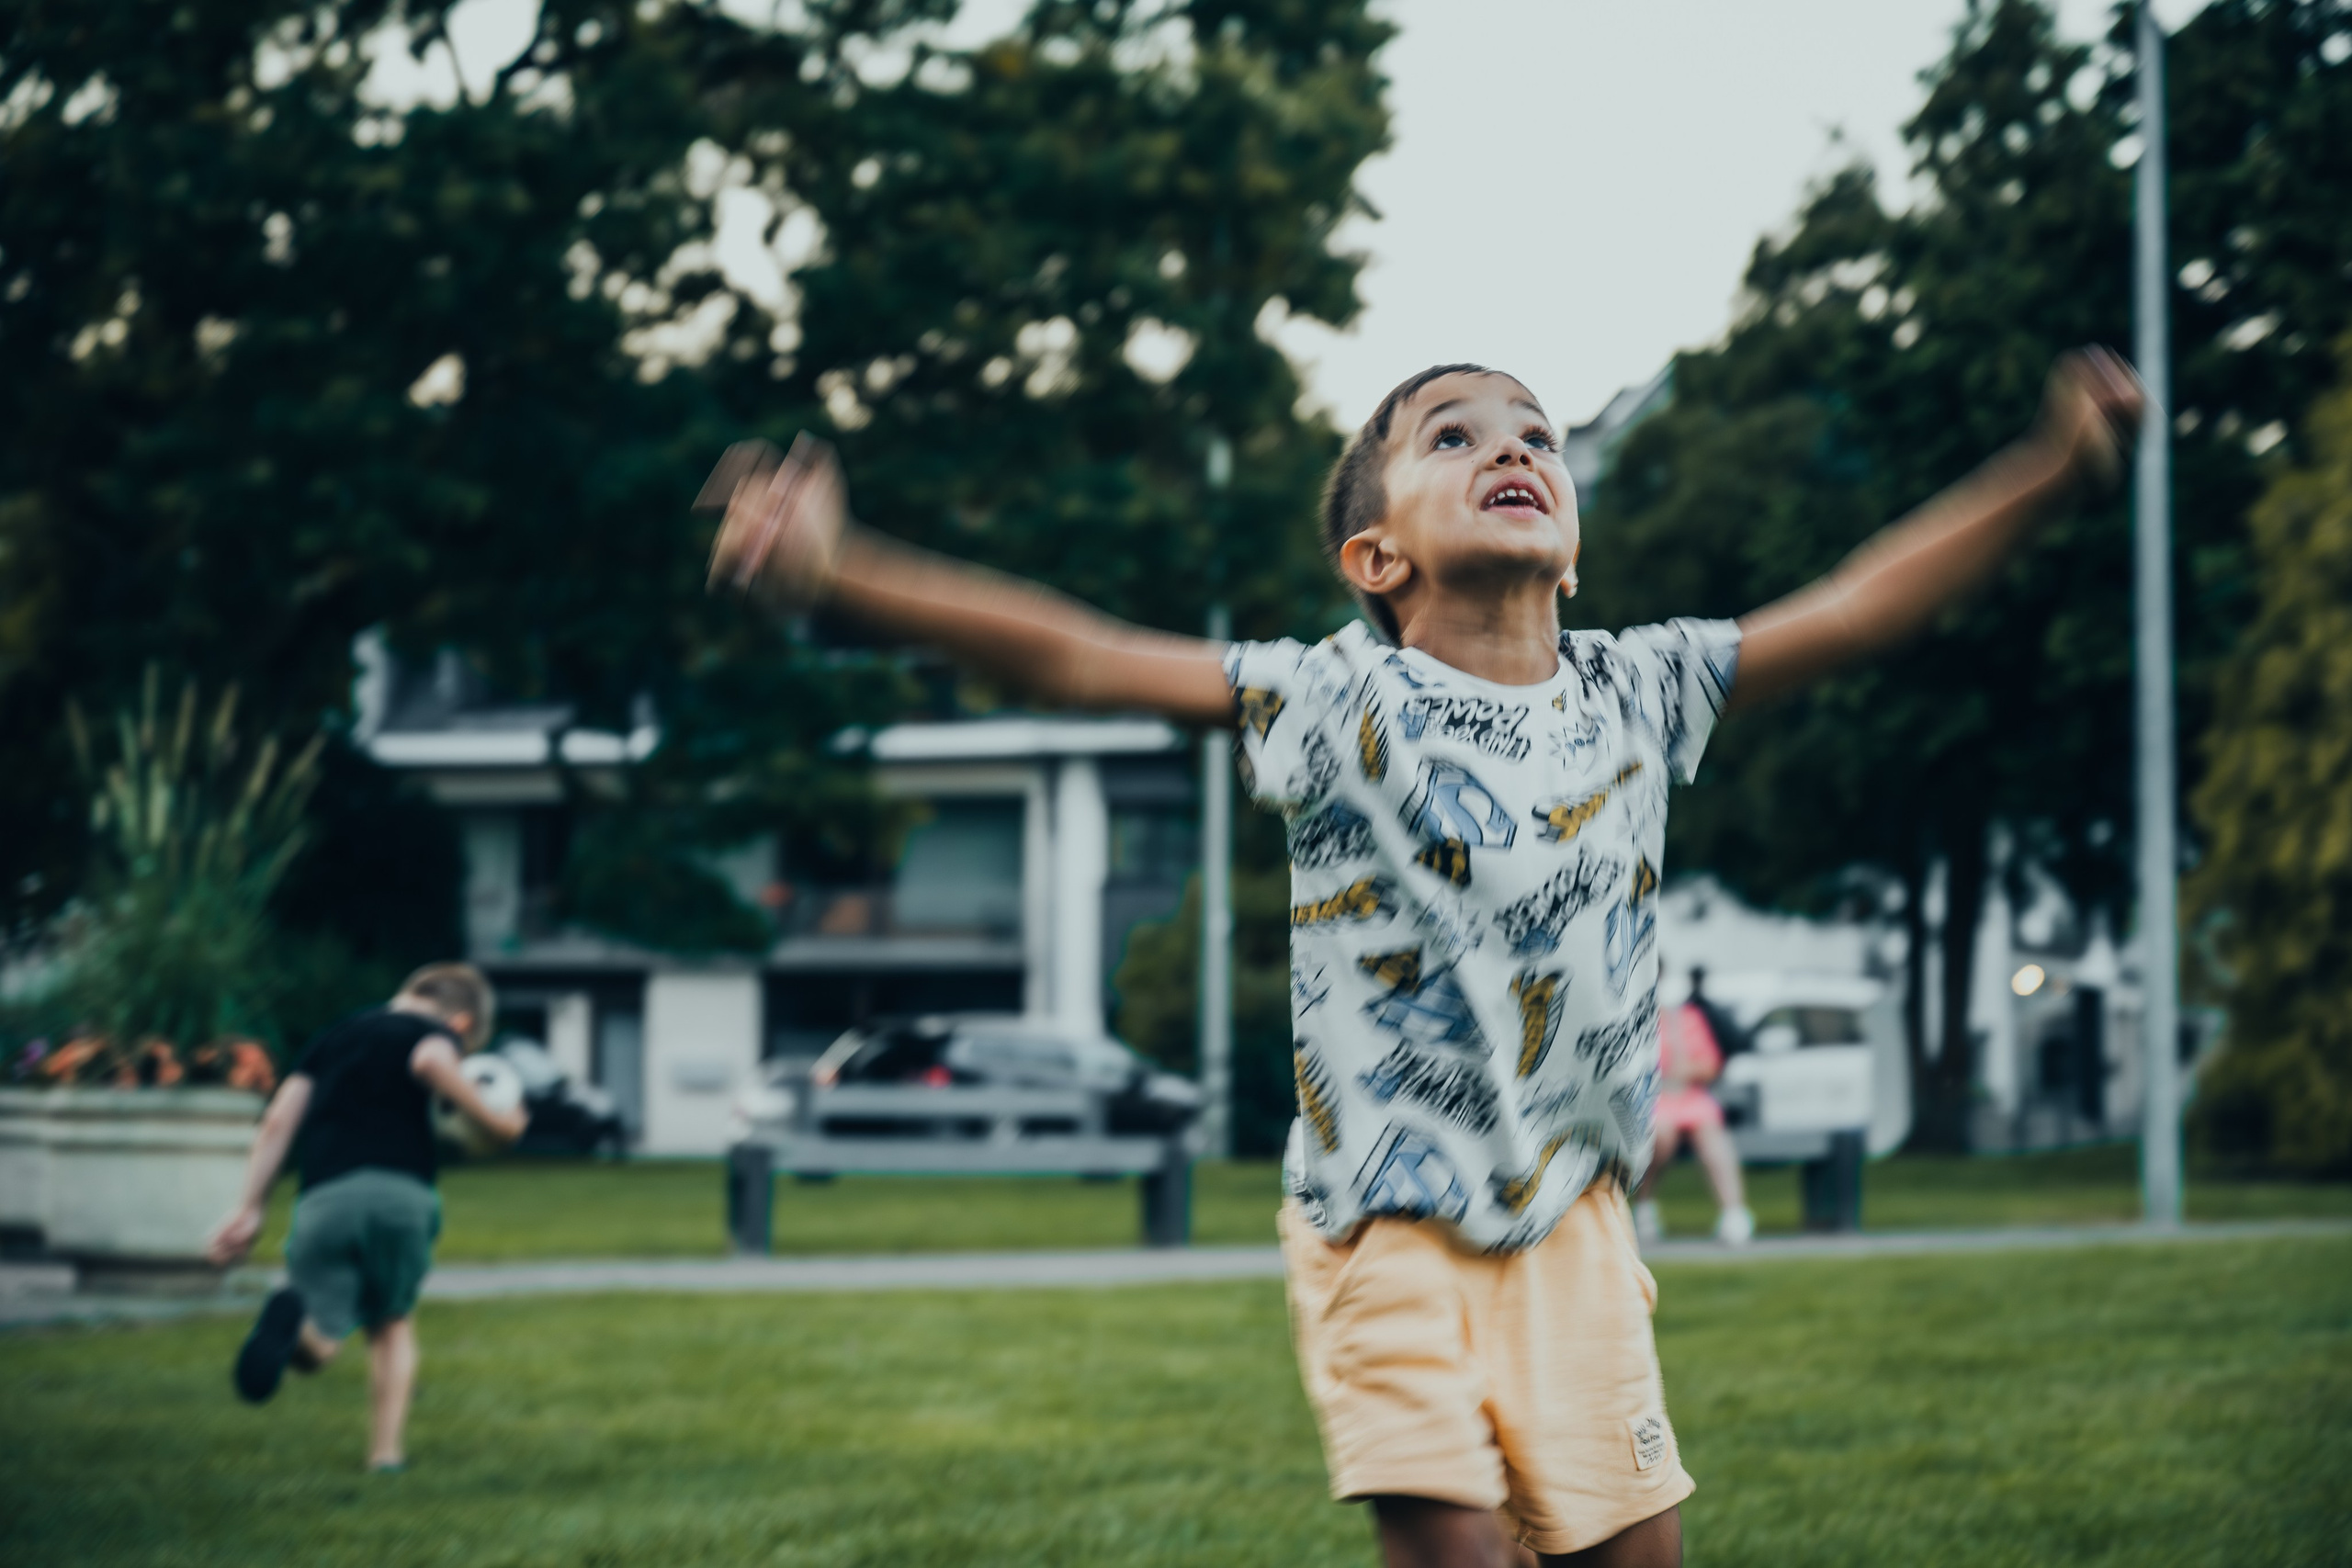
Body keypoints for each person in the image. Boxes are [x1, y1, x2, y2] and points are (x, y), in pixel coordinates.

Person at [705, 349, 2139, 1566]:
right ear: (1374, 557)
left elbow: (1861, 602)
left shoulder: (1642, 688)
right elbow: (1080, 652)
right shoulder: (1336, 698)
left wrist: (2052, 469)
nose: (1509, 447)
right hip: (1385, 1218)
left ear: (1573, 546)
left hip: (1574, 1219)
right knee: (1452, 1540)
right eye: (1451, 435)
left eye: (1536, 437)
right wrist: (845, 576)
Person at [207, 963, 526, 1472]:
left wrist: (250, 1209)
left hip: (325, 1197)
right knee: (391, 1323)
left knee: (320, 1344)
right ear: (462, 1023)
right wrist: (497, 1123)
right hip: (401, 1195)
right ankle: (385, 1455)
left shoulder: (334, 1037)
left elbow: (277, 1122)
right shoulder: (435, 1035)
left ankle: (295, 1330)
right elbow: (429, 1062)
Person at [1632, 968, 1749, 1246]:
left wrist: (1686, 1067)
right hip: (1653, 1101)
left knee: (1712, 1134)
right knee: (1661, 1135)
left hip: (1691, 1097)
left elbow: (1710, 1064)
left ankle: (1733, 1211)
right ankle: (1644, 1205)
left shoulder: (1686, 1017)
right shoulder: (1634, 1021)